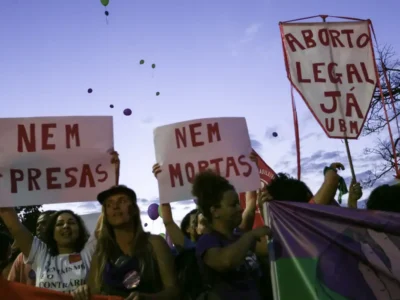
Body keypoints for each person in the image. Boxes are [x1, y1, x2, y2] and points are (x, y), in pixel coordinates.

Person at [78, 185, 179, 299]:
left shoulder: (155, 244)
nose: (115, 206)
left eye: (122, 201)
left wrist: (147, 298)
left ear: (134, 209)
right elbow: (94, 293)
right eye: (109, 204)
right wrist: (83, 292)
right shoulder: (101, 252)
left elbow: (174, 291)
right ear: (105, 213)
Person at [193, 169, 270, 300]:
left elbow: (272, 250)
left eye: (238, 204)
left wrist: (265, 212)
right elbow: (224, 261)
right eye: (233, 205)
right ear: (215, 211)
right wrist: (250, 236)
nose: (240, 209)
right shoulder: (207, 241)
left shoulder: (239, 237)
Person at [0, 207, 94, 293]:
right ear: (52, 232)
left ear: (80, 229)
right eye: (60, 224)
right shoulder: (40, 253)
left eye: (71, 223)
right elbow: (13, 225)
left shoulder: (89, 251)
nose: (66, 226)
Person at [8, 210, 55, 285]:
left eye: (44, 223)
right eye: (37, 225)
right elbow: (11, 287)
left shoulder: (71, 254)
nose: (38, 228)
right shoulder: (21, 258)